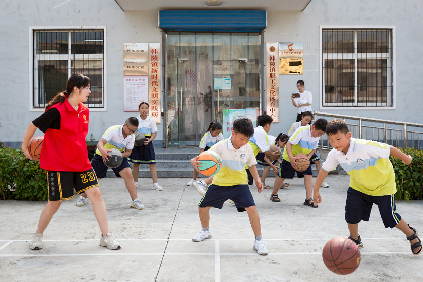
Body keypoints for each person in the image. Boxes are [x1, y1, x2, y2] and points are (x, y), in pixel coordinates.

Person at [21, 74, 120, 250]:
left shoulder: (84, 111)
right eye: (87, 87)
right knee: (55, 203)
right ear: (76, 88)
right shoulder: (56, 111)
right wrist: (24, 147)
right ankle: (37, 235)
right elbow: (32, 125)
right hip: (59, 164)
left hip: (81, 162)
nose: (90, 91)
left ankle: (106, 236)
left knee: (96, 195)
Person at [313, 119, 421, 254]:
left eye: (338, 139)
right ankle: (355, 239)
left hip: (382, 185)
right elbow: (324, 170)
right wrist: (316, 189)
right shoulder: (335, 154)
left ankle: (411, 235)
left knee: (389, 217)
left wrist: (407, 159)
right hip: (359, 186)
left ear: (348, 136)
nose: (335, 144)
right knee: (351, 213)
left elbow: (390, 149)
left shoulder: (364, 146)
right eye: (331, 140)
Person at [190, 118, 268, 255]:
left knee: (252, 209)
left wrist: (257, 180)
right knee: (202, 207)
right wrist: (194, 161)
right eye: (241, 138)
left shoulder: (248, 147)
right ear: (233, 133)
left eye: (247, 139)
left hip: (240, 184)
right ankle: (205, 231)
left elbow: (251, 165)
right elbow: (202, 158)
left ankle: (259, 241)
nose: (244, 142)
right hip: (220, 183)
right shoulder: (220, 146)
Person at [76, 117, 145, 210]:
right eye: (130, 130)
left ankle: (135, 200)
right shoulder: (113, 130)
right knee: (93, 178)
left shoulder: (131, 136)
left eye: (134, 131)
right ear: (125, 125)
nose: (132, 133)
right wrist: (104, 152)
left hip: (118, 156)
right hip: (102, 155)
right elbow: (100, 143)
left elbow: (128, 152)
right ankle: (82, 197)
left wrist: (117, 155)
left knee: (128, 174)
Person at [270, 119, 328, 206]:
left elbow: (313, 149)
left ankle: (308, 199)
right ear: (313, 127)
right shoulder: (301, 131)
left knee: (308, 175)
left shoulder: (316, 136)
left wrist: (307, 158)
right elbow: (289, 144)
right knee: (282, 176)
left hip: (303, 159)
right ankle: (274, 194)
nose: (319, 136)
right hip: (290, 157)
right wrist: (291, 157)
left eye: (321, 135)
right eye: (319, 133)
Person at [288, 111, 330, 188]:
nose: (307, 122)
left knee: (317, 161)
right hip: (297, 151)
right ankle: (283, 180)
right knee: (290, 165)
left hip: (308, 150)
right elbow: (290, 139)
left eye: (309, 121)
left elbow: (314, 148)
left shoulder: (313, 130)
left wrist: (307, 158)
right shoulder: (296, 126)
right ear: (302, 117)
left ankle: (322, 181)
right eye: (306, 119)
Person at [129, 102, 163, 191]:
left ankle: (155, 184)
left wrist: (149, 140)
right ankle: (135, 182)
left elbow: (154, 133)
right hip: (137, 144)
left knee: (152, 163)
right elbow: (131, 132)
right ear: (139, 109)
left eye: (146, 108)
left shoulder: (151, 120)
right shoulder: (135, 120)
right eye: (142, 108)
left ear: (148, 109)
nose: (144, 110)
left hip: (148, 143)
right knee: (136, 163)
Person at [187, 122, 224, 192]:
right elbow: (201, 149)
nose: (217, 135)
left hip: (216, 152)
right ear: (211, 130)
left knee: (217, 166)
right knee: (197, 164)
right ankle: (193, 180)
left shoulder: (220, 136)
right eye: (216, 133)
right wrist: (200, 159)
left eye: (218, 133)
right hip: (207, 152)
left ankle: (214, 182)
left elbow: (222, 147)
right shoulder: (206, 136)